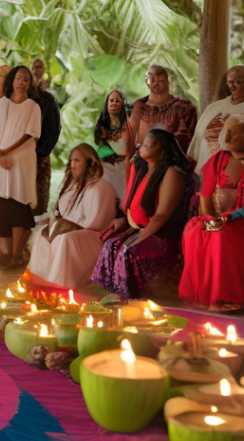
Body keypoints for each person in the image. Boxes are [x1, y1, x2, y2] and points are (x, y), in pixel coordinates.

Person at [180, 115, 244, 312]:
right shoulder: (218, 158)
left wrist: (231, 218)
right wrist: (210, 220)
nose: (225, 137)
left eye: (232, 133)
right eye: (225, 131)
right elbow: (205, 196)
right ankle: (204, 297)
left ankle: (222, 298)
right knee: (195, 230)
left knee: (222, 234)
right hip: (221, 220)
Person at [92, 129, 194, 299]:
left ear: (163, 147)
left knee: (127, 252)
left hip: (164, 237)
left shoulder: (172, 172)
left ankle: (133, 297)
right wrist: (125, 223)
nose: (141, 146)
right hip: (143, 229)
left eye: (147, 144)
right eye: (142, 143)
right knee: (110, 245)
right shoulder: (143, 169)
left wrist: (137, 239)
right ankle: (114, 295)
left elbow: (161, 215)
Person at [28, 144, 116, 289]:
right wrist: (54, 224)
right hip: (69, 231)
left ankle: (60, 285)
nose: (72, 165)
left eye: (77, 160)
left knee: (65, 238)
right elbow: (63, 214)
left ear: (89, 163)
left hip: (92, 238)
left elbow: (95, 225)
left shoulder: (100, 187)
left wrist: (65, 226)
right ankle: (40, 281)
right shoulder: (71, 186)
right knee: (41, 234)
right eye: (71, 160)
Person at [0, 66, 41, 268]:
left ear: (30, 83)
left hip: (19, 162)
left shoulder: (33, 107)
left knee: (18, 206)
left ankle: (17, 256)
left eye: (25, 79)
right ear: (12, 81)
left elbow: (30, 134)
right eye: (18, 78)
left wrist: (5, 151)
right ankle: (3, 254)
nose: (21, 82)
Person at [128, 65, 198, 156]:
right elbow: (131, 133)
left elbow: (187, 140)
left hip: (174, 159)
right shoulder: (140, 105)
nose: (156, 83)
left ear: (168, 82)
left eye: (160, 80)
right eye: (152, 80)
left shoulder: (183, 107)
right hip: (142, 159)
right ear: (147, 82)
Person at [94, 89, 136, 205]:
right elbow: (102, 149)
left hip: (124, 166)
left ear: (123, 104)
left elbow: (126, 150)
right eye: (111, 100)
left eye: (117, 101)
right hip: (106, 166)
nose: (114, 103)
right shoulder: (102, 127)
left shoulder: (129, 125)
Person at [33, 79, 62, 215]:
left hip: (39, 158)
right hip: (20, 159)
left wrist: (40, 154)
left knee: (37, 209)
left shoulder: (48, 101)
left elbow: (52, 131)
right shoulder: (12, 99)